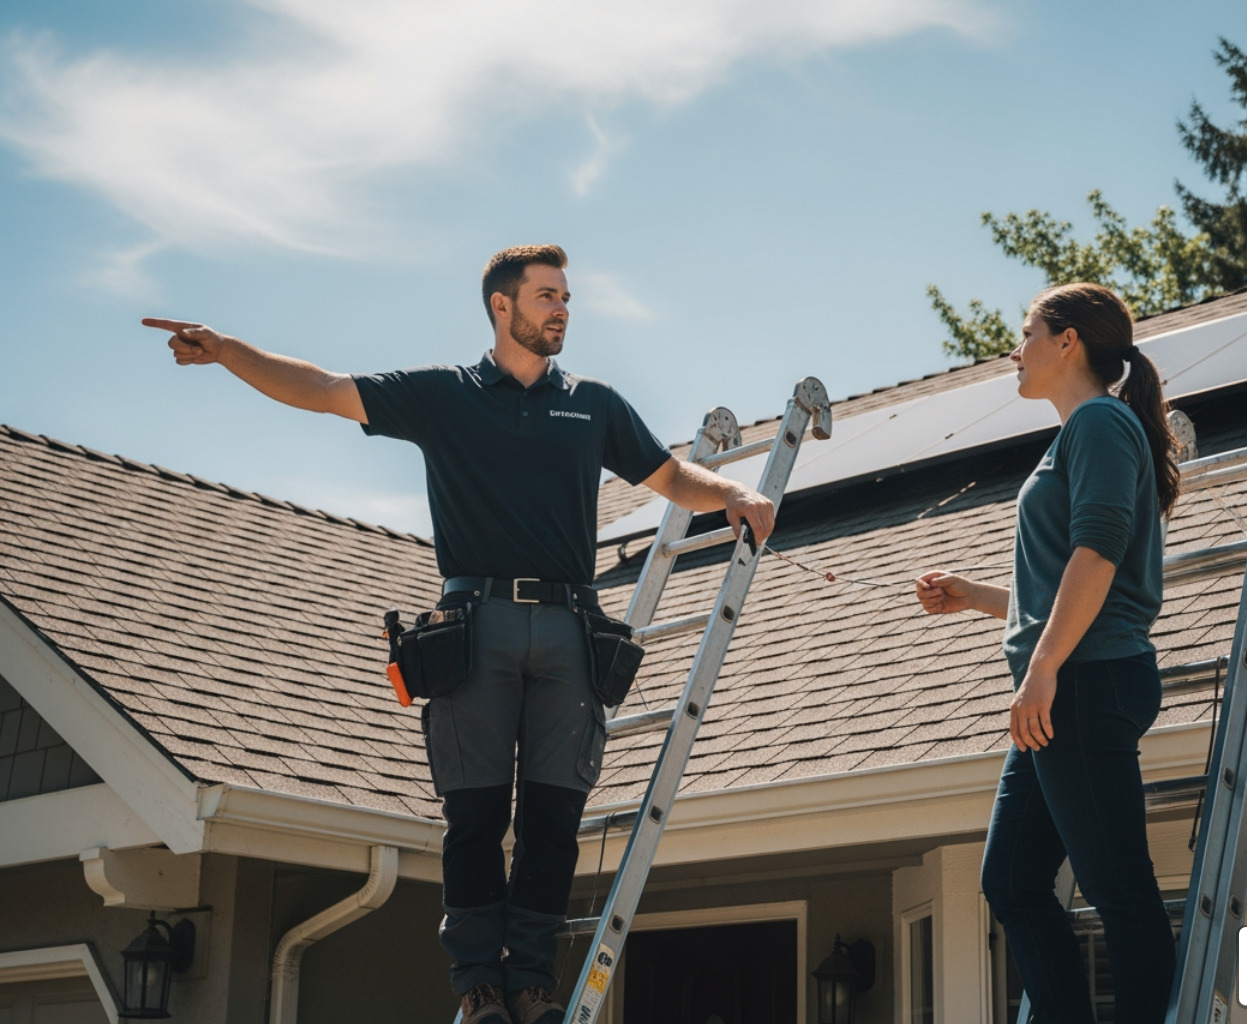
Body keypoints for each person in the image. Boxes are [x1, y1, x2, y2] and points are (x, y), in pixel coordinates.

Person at [143, 244, 776, 1024]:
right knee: (474, 817)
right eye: (548, 296)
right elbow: (324, 388)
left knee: (553, 819)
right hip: (476, 630)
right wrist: (229, 349)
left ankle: (532, 982)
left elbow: (670, 476)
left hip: (571, 633)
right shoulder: (444, 395)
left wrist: (735, 490)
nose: (563, 310)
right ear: (502, 307)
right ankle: (479, 985)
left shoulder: (596, 405)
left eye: (568, 298)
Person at [914, 282, 1180, 1024]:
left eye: (1027, 332)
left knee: (1119, 889)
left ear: (1068, 342)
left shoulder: (1099, 424)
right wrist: (977, 596)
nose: (1015, 349)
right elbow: (1067, 580)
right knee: (1012, 883)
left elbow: (1097, 556)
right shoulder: (1086, 431)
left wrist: (1040, 671)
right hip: (1069, 680)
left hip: (1084, 683)